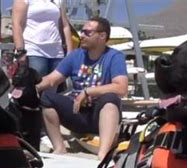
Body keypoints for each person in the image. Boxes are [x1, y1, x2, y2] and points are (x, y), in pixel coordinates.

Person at [36, 17, 128, 160]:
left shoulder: (114, 57)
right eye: (82, 31)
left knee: (110, 99)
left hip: (101, 116)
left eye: (87, 32)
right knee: (47, 98)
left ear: (102, 36)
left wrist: (88, 91)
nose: (82, 35)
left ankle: (102, 154)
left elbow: (121, 88)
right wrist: (31, 86)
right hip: (77, 112)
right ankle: (59, 148)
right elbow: (52, 79)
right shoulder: (76, 55)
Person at [12, 0, 73, 77]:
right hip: (34, 50)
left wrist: (70, 52)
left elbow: (65, 26)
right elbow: (17, 24)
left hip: (57, 52)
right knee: (36, 84)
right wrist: (20, 51)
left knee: (55, 85)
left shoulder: (58, 1)